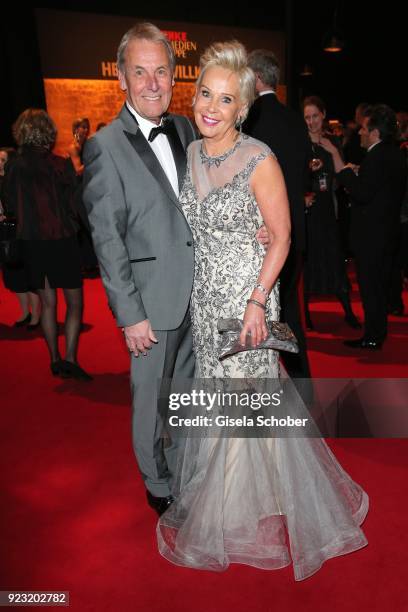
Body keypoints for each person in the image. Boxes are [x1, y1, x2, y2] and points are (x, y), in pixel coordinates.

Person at [157, 41, 368, 581]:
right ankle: (261, 492)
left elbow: (283, 237)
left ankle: (229, 510)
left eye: (225, 100)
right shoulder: (194, 154)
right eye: (205, 93)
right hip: (206, 302)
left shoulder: (260, 157)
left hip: (248, 300)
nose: (210, 107)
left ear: (241, 109)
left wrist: (256, 302)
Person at [82, 23, 198, 516]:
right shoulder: (106, 146)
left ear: (174, 77)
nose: (153, 83)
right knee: (150, 401)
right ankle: (157, 483)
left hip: (199, 293)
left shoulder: (187, 129)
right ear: (122, 82)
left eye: (161, 72)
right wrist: (130, 314)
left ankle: (188, 467)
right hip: (150, 302)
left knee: (189, 395)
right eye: (140, 73)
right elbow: (107, 240)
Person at [2, 109, 91, 379]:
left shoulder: (14, 166)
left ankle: (54, 358)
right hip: (62, 240)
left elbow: (9, 203)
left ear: (22, 132)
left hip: (31, 242)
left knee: (48, 304)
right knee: (75, 303)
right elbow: (74, 204)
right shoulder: (59, 164)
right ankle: (71, 358)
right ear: (49, 132)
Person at [243, 49, 311, 384]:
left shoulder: (251, 121)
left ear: (254, 78)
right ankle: (300, 383)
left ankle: (268, 388)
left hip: (263, 236)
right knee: (287, 313)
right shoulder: (296, 119)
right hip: (296, 230)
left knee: (269, 315)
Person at [329, 104, 407, 349]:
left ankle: (373, 336)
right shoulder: (394, 154)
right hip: (387, 232)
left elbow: (362, 193)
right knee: (379, 286)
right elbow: (380, 187)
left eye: (364, 128)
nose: (360, 132)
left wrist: (342, 167)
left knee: (371, 287)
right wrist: (359, 172)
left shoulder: (377, 156)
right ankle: (377, 332)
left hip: (373, 236)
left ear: (374, 133)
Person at [302, 96, 360, 330]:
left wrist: (336, 156)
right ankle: (305, 314)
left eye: (315, 116)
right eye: (307, 117)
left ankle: (348, 311)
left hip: (329, 210)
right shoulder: (302, 143)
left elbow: (340, 178)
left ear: (323, 115)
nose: (311, 121)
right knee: (309, 262)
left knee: (335, 259)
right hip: (309, 210)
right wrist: (302, 194)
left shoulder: (333, 141)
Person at [1, 146, 41, 327]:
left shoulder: (18, 181)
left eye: (2, 160)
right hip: (4, 232)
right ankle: (25, 313)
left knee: (28, 275)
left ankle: (36, 317)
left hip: (22, 231)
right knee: (12, 276)